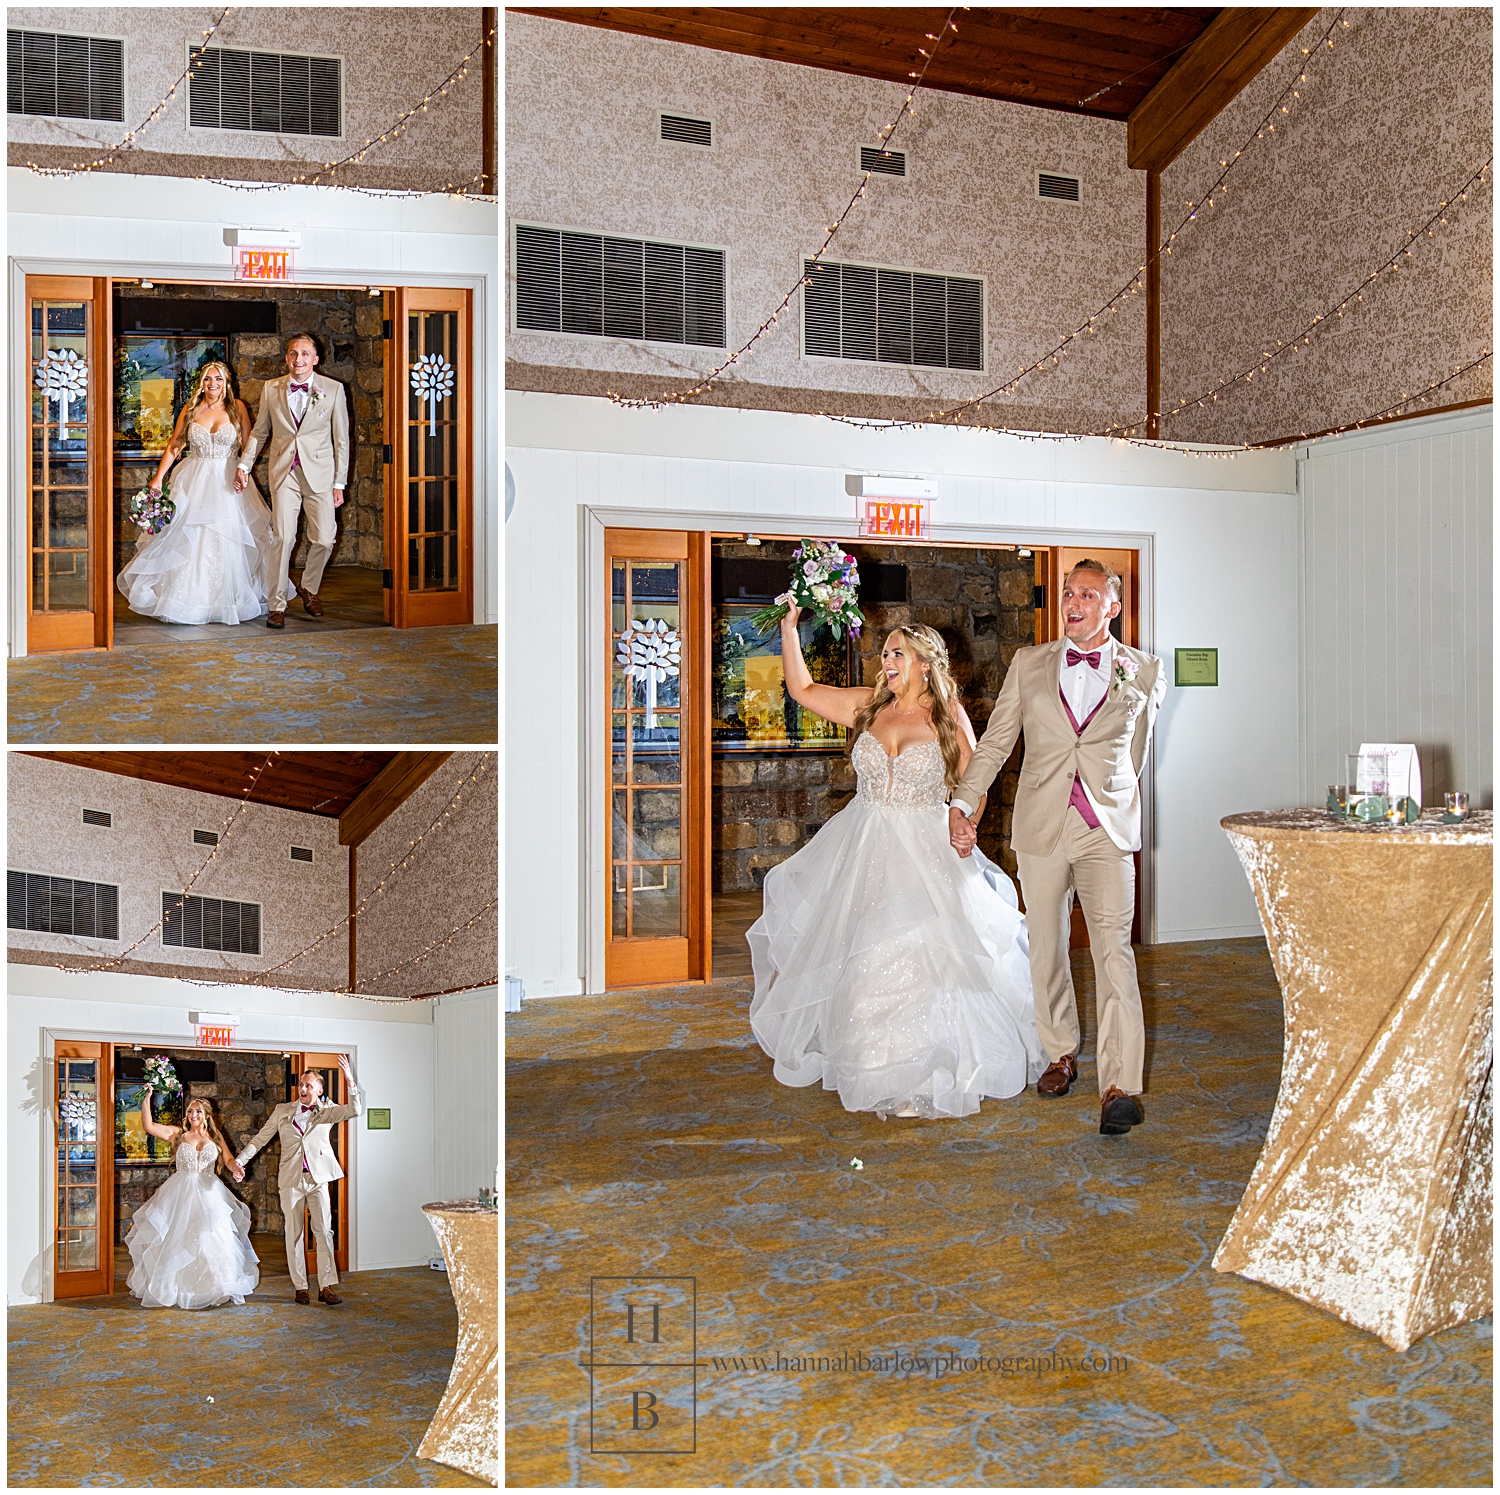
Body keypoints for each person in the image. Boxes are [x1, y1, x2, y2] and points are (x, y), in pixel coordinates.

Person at [748, 608, 1046, 1118]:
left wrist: (965, 821)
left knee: (921, 954)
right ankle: (872, 1060)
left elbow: (975, 784)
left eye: (897, 654)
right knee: (864, 952)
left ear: (925, 664)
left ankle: (928, 1065)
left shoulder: (946, 713)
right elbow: (802, 690)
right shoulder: (868, 707)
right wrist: (790, 629)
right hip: (863, 844)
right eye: (884, 653)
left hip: (925, 851)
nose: (886, 661)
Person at [948, 559, 1166, 1137]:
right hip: (1042, 826)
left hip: (1106, 831)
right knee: (1046, 946)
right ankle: (1060, 1052)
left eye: (1088, 594)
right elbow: (995, 743)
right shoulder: (1029, 664)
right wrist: (964, 803)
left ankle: (1118, 1084)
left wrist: (1109, 799)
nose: (1074, 601)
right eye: (1069, 592)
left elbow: (1135, 754)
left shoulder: (1143, 671)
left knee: (1113, 952)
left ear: (1112, 608)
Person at [116, 361, 273, 624]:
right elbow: (175, 445)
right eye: (209, 379)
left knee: (228, 535)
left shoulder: (238, 408)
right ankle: (188, 600)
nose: (213, 384)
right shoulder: (191, 408)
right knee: (189, 534)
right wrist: (158, 478)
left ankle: (227, 600)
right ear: (201, 382)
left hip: (228, 479)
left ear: (227, 382)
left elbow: (248, 446)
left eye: (219, 379)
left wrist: (244, 470)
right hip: (194, 478)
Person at [234, 332, 349, 629]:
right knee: (283, 538)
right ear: (287, 357)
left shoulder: (333, 390)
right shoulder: (271, 388)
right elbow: (260, 433)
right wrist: (244, 465)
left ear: (315, 359)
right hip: (284, 474)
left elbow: (341, 440)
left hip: (321, 476)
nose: (299, 359)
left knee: (324, 539)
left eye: (305, 354)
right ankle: (277, 604)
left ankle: (308, 587)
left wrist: (339, 483)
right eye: (293, 354)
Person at [234, 1056, 361, 1305]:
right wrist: (241, 1161)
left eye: (308, 1086)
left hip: (318, 1180)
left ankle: (326, 1286)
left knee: (324, 1232)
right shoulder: (283, 1111)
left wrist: (350, 1081)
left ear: (319, 1090)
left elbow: (354, 1109)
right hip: (291, 1180)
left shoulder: (327, 1111)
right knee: (294, 1234)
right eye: (301, 1085)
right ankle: (300, 1286)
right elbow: (261, 1138)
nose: (303, 1089)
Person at [125, 1091, 260, 1309]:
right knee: (180, 1236)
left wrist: (236, 1169)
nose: (193, 1114)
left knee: (210, 1236)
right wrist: (146, 1100)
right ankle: (177, 1286)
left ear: (207, 1115)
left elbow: (228, 1159)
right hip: (181, 1192)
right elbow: (149, 1126)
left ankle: (213, 1285)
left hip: (208, 1192)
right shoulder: (179, 1134)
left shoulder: (215, 1138)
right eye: (190, 1111)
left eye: (198, 1111)